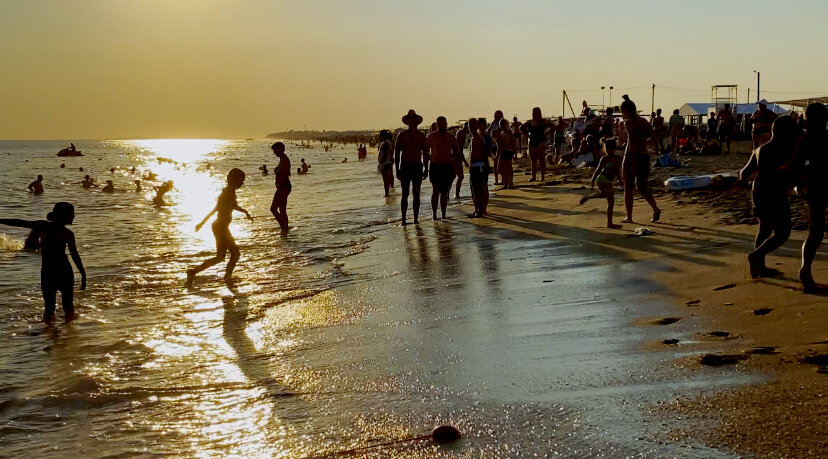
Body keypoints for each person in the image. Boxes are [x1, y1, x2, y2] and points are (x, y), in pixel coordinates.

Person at [0, 202, 87, 322]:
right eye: (71, 214)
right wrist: (82, 273)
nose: (73, 216)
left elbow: (75, 255)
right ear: (62, 215)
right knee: (59, 308)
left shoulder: (65, 233)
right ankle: (60, 334)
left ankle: (61, 334)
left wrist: (83, 274)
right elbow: (19, 222)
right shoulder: (47, 227)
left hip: (56, 272)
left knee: (58, 307)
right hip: (55, 272)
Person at [740, 116, 798, 279]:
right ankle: (756, 256)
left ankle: (760, 266)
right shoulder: (785, 150)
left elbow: (743, 173)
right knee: (783, 232)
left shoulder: (759, 150)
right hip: (776, 193)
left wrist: (743, 182)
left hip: (758, 192)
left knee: (765, 229)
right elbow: (791, 172)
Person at [786, 103, 828, 292]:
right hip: (821, 185)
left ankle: (806, 269)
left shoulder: (805, 140)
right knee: (816, 233)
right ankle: (805, 271)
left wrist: (797, 183)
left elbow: (794, 166)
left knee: (815, 232)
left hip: (815, 187)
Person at [186, 168, 253, 285]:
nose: (241, 184)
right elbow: (217, 209)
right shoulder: (228, 192)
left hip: (220, 226)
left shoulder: (229, 192)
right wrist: (202, 223)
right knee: (235, 254)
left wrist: (245, 212)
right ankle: (227, 278)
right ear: (232, 180)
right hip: (221, 227)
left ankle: (193, 272)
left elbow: (226, 207)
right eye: (240, 181)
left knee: (220, 257)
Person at [620, 95, 661, 223]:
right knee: (642, 187)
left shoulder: (628, 124)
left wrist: (632, 159)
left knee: (629, 187)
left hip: (632, 156)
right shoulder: (644, 122)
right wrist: (643, 143)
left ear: (626, 111)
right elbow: (655, 139)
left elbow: (631, 143)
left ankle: (629, 216)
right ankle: (655, 209)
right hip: (643, 156)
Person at [394, 109, 429, 225]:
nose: (412, 122)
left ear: (417, 122)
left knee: (416, 193)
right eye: (410, 120)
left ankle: (415, 219)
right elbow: (397, 153)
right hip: (405, 167)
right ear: (407, 122)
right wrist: (397, 169)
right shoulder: (402, 135)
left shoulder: (421, 136)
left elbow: (425, 153)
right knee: (405, 194)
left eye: (414, 120)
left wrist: (426, 168)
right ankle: (403, 219)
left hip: (417, 167)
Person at [580, 138, 623, 229]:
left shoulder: (618, 158)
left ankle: (589, 197)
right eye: (607, 149)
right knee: (610, 202)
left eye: (611, 149)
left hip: (609, 181)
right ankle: (610, 223)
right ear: (605, 149)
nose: (609, 151)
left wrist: (620, 181)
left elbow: (618, 171)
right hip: (602, 180)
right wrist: (592, 180)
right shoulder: (604, 159)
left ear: (614, 149)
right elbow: (598, 170)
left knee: (605, 196)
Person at [426, 116, 460, 220]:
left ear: (446, 124)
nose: (442, 126)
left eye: (444, 124)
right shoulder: (431, 136)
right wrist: (429, 160)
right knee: (435, 191)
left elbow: (456, 151)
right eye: (440, 124)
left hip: (446, 166)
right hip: (435, 166)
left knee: (444, 191)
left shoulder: (450, 137)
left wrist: (453, 162)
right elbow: (424, 150)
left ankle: (444, 214)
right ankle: (434, 214)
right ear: (437, 125)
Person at [520, 107, 552, 182]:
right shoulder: (530, 122)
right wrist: (526, 134)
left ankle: (542, 176)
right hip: (532, 141)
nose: (534, 114)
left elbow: (552, 126)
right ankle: (533, 176)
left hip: (540, 141)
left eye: (536, 112)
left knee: (541, 159)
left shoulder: (543, 121)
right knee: (533, 160)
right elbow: (521, 127)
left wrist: (547, 133)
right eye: (533, 113)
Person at [468, 117, 490, 218]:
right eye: (470, 126)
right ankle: (477, 209)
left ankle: (480, 210)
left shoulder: (479, 138)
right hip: (474, 166)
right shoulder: (473, 138)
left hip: (479, 166)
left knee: (479, 188)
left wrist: (486, 165)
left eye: (473, 126)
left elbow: (484, 153)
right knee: (475, 188)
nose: (471, 128)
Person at [270, 142, 291, 232]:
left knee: (273, 209)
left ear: (279, 149)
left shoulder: (284, 159)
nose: (274, 152)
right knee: (282, 209)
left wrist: (276, 170)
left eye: (275, 150)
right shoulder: (283, 159)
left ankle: (283, 226)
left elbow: (279, 171)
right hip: (283, 186)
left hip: (283, 186)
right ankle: (285, 228)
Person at [494, 118, 516, 189]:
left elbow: (512, 142)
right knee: (502, 168)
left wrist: (514, 153)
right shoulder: (502, 132)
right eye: (500, 124)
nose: (501, 126)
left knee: (507, 168)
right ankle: (507, 182)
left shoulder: (508, 132)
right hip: (504, 151)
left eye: (502, 124)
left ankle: (509, 182)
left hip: (507, 151)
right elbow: (499, 145)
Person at [454, 122, 470, 199]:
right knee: (460, 176)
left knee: (453, 176)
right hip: (456, 157)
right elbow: (459, 149)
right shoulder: (462, 134)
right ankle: (456, 194)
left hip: (455, 157)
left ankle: (448, 195)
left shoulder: (460, 132)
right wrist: (465, 161)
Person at [488, 110, 504, 184]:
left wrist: (495, 132)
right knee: (495, 163)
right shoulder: (493, 123)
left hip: (502, 145)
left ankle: (504, 179)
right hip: (494, 145)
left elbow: (501, 131)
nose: (494, 117)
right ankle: (496, 179)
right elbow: (489, 131)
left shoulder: (503, 122)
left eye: (496, 115)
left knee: (502, 163)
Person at [377, 130, 395, 197]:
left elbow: (385, 153)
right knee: (387, 179)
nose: (379, 136)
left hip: (385, 163)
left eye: (380, 135)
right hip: (386, 162)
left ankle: (386, 194)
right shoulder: (385, 142)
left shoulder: (386, 143)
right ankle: (388, 193)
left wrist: (381, 162)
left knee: (385, 180)